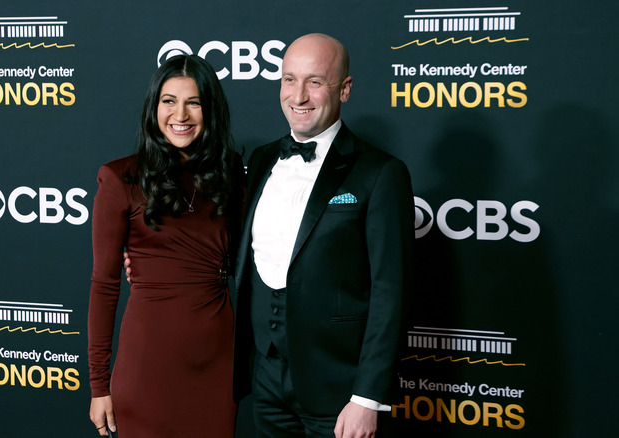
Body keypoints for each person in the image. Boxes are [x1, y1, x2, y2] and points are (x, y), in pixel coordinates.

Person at [232, 33, 414, 438]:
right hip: (265, 378)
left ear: (344, 89)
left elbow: (391, 290)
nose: (299, 95)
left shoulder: (381, 173)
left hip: (339, 391)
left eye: (315, 81)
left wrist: (367, 398)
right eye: (289, 79)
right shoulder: (261, 159)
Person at [87, 54, 243, 438]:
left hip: (217, 361)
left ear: (210, 110)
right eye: (169, 101)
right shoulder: (120, 177)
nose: (181, 114)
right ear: (154, 107)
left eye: (194, 102)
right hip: (147, 363)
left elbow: (251, 259)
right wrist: (99, 386)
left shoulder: (233, 175)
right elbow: (105, 285)